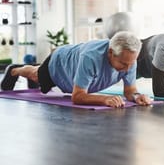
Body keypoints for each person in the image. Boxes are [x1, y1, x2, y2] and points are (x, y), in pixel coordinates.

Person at [0, 31, 151, 108]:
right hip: (60, 62)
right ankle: (15, 70)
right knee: (36, 75)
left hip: (74, 65)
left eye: (132, 63)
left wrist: (137, 96)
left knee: (36, 75)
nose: (129, 68)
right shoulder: (91, 57)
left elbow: (130, 91)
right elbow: (77, 96)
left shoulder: (129, 58)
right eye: (124, 64)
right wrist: (104, 99)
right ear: (110, 52)